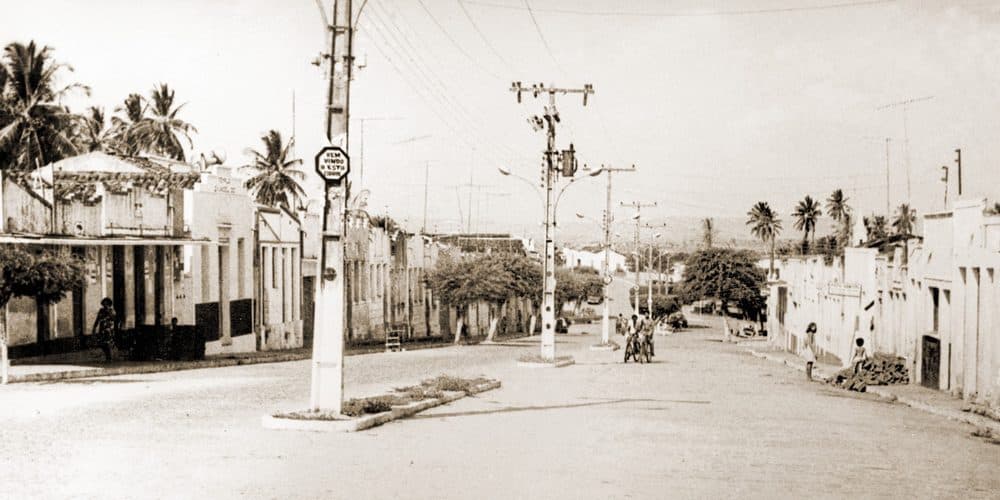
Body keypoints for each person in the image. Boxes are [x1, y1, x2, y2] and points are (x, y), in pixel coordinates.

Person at [91, 298, 117, 362]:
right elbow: (98, 319)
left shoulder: (112, 311)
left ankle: (110, 358)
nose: (105, 304)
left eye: (106, 303)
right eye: (104, 303)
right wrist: (94, 327)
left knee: (108, 344)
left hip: (109, 330)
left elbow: (113, 319)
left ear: (109, 304)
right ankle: (107, 357)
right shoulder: (101, 310)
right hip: (102, 329)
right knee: (102, 344)